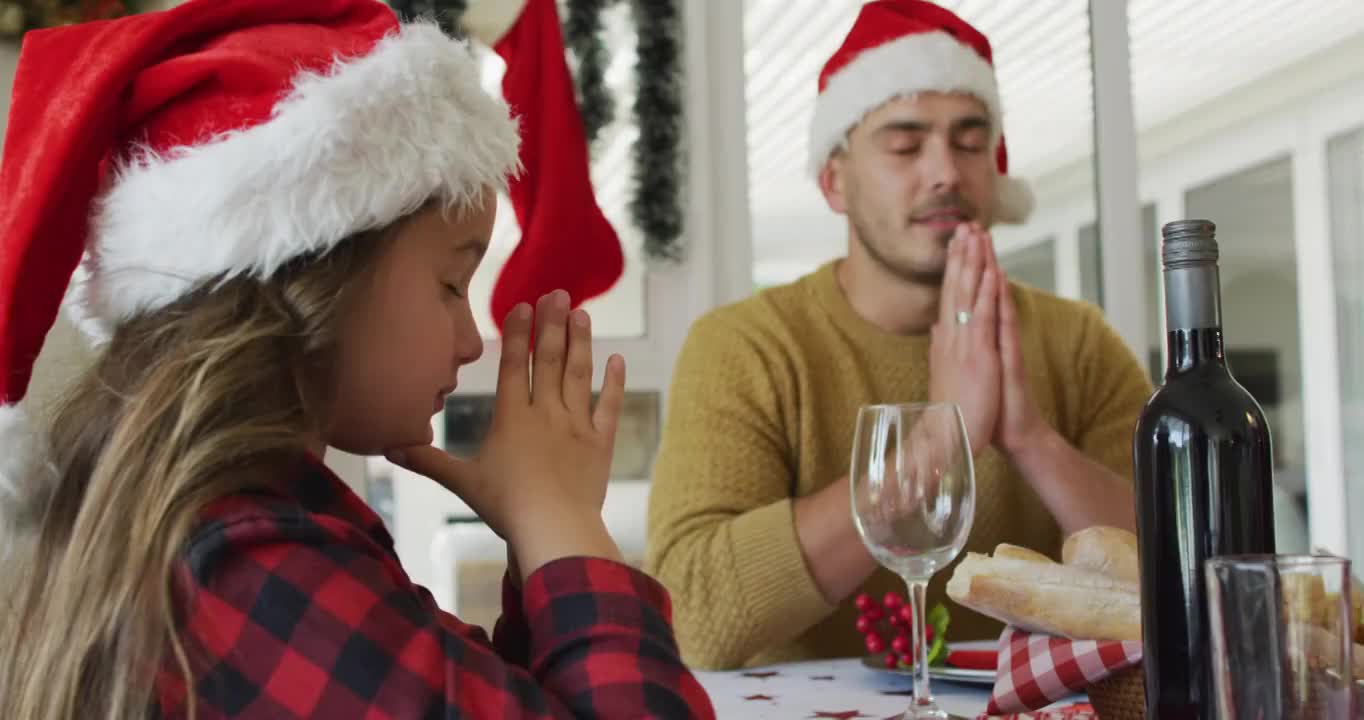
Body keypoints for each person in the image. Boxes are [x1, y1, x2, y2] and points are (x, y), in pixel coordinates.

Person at [0, 1, 713, 717]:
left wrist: (544, 534)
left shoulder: (268, 524)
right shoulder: (247, 568)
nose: (470, 340)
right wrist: (560, 521)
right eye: (451, 284)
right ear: (318, 278)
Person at [645, 0, 1153, 670]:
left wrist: (1028, 436)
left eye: (972, 141)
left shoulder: (1078, 341)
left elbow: (1186, 579)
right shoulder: (746, 347)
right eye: (905, 144)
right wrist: (936, 445)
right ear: (834, 182)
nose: (946, 170)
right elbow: (695, 618)